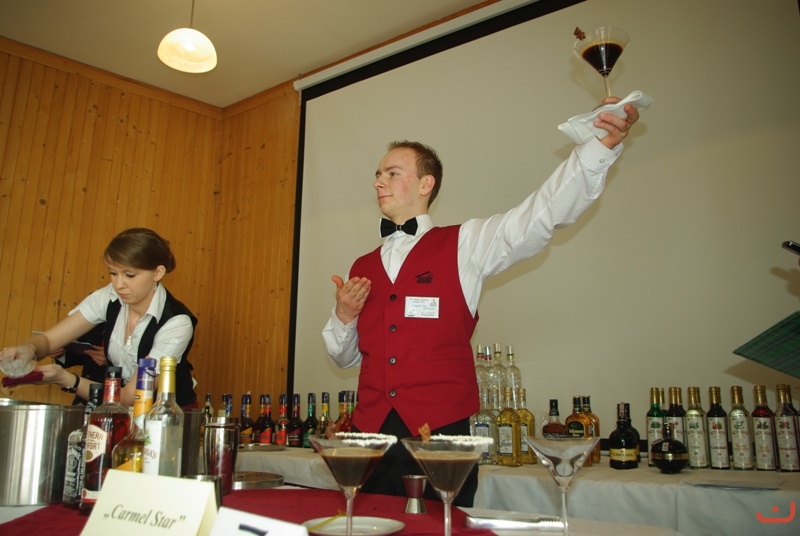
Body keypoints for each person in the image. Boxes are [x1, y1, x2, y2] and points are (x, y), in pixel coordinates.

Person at [322, 97, 640, 505]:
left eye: (392, 173)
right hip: (372, 438)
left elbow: (539, 216)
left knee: (443, 528)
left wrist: (597, 149)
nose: (378, 182)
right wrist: (344, 314)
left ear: (425, 184)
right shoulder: (362, 265)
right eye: (377, 175)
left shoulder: (466, 243)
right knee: (372, 526)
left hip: (441, 436)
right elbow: (345, 359)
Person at [0, 228, 198, 407]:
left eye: (129, 275)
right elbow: (49, 340)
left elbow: (133, 396)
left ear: (158, 272)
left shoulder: (177, 323)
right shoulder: (108, 297)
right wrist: (28, 349)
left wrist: (67, 379)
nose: (119, 284)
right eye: (113, 273)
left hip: (167, 417)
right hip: (117, 407)